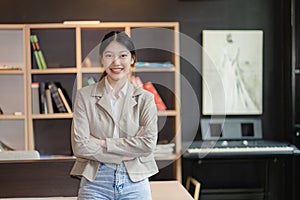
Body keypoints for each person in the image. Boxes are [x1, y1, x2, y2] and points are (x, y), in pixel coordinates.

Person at [70, 31, 158, 200]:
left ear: (132, 59)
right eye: (109, 55)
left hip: (135, 181)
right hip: (95, 181)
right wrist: (127, 152)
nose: (116, 62)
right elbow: (80, 146)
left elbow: (147, 144)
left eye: (123, 55)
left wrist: (102, 143)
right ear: (102, 59)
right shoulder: (84, 96)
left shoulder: (145, 99)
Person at [220, 33, 258, 114]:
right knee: (232, 84)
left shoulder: (226, 48)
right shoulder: (235, 47)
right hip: (232, 68)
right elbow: (234, 59)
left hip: (229, 68)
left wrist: (223, 66)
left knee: (230, 85)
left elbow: (224, 60)